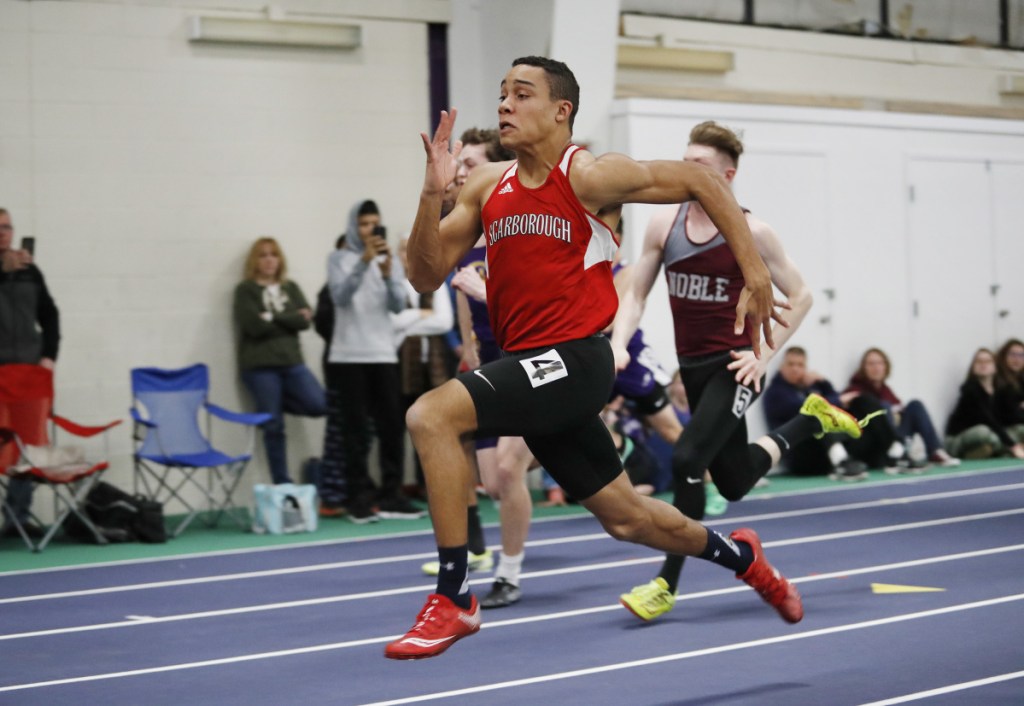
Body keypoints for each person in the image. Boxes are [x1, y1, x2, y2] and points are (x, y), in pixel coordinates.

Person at [386, 56, 844, 660]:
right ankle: (745, 558)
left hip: (575, 361)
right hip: (532, 372)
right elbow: (423, 275)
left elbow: (702, 182)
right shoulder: (484, 185)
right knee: (629, 519)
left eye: (520, 94)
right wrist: (429, 195)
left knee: (431, 415)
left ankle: (454, 599)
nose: (504, 105)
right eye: (501, 94)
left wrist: (756, 272)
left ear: (560, 110)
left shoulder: (590, 178)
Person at [610, 120, 873, 623]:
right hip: (693, 368)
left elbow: (802, 294)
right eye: (684, 161)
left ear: (726, 176)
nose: (687, 172)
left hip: (737, 366)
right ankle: (811, 420)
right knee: (732, 482)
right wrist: (619, 343)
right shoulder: (664, 225)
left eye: (700, 165)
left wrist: (764, 356)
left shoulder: (752, 231)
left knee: (687, 456)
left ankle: (665, 583)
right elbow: (636, 293)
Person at [326, 199, 422, 523]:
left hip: (382, 353)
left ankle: (392, 495)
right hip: (348, 356)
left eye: (375, 224)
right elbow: (339, 296)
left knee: (392, 427)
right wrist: (363, 262)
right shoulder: (338, 258)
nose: (370, 230)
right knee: (355, 431)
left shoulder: (390, 261)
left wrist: (384, 272)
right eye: (365, 224)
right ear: (354, 226)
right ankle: (358, 499)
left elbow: (397, 305)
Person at [0, 208, 60, 539]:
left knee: (28, 446)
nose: (4, 234)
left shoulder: (29, 271)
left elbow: (50, 314)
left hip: (28, 372)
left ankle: (17, 516)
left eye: (7, 227)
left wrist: (48, 356)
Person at [843, 347, 960, 470]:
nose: (876, 368)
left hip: (897, 436)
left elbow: (901, 410)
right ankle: (893, 454)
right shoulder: (855, 391)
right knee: (885, 407)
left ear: (886, 366)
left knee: (915, 405)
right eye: (871, 364)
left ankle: (935, 451)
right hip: (875, 444)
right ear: (863, 368)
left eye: (880, 363)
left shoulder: (886, 391)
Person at [763, 346, 869, 481]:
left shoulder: (806, 389)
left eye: (800, 365)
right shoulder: (776, 393)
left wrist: (823, 382)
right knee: (819, 416)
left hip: (818, 452)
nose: (795, 369)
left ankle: (890, 453)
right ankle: (841, 462)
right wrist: (838, 400)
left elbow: (835, 403)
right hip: (799, 457)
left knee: (863, 403)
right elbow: (809, 408)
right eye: (791, 364)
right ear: (782, 367)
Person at [944, 347, 1024, 460]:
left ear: (995, 367)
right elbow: (988, 420)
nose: (983, 364)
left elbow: (1010, 418)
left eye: (987, 361)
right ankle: (1000, 451)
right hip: (959, 439)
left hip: (991, 433)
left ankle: (984, 451)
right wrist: (1013, 445)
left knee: (1020, 430)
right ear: (973, 367)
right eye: (979, 361)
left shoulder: (1000, 391)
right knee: (985, 432)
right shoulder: (970, 390)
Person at [994, 338, 1024, 442]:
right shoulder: (998, 380)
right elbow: (1010, 415)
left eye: (1021, 355)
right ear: (1004, 356)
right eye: (1013, 355)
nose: (1017, 359)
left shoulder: (1021, 381)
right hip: (1004, 428)